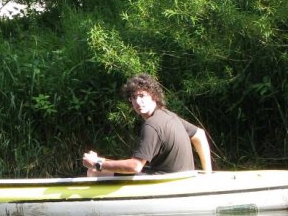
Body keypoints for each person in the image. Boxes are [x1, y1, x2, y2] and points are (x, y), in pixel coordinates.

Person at [82, 73, 212, 176]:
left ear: (154, 96)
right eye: (133, 97)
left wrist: (97, 164)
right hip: (181, 178)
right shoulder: (169, 115)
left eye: (142, 96)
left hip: (166, 183)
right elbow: (199, 134)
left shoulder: (151, 126)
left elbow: (135, 166)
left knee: (93, 172)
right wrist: (207, 173)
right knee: (101, 164)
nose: (138, 102)